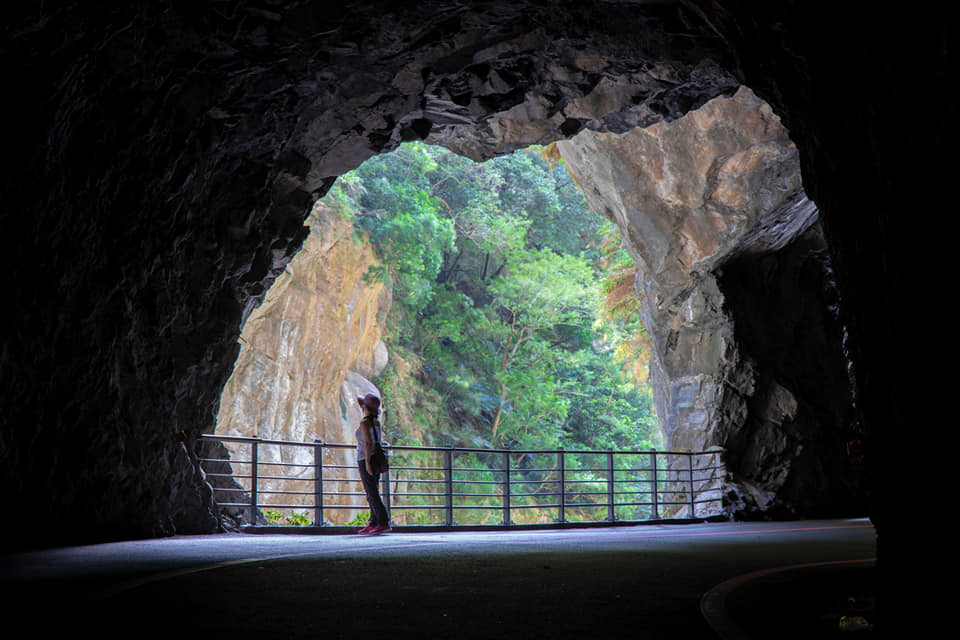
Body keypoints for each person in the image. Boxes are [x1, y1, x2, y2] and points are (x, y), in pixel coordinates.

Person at [355, 393, 391, 534]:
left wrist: (368, 463)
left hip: (366, 459)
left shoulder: (364, 422)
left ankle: (383, 521)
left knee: (372, 493)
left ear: (365, 408)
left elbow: (368, 443)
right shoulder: (376, 422)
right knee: (372, 491)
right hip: (376, 457)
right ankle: (373, 521)